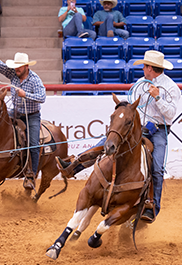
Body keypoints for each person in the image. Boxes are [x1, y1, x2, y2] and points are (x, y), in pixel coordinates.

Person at [57, 50, 181, 223]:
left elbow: (170, 114)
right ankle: (74, 166)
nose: (143, 69)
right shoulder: (141, 83)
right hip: (139, 127)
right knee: (107, 141)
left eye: (145, 66)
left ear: (151, 68)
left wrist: (157, 97)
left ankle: (151, 206)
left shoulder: (170, 87)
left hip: (159, 131)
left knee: (158, 168)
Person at [0, 53, 46, 190]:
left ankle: (31, 175)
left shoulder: (35, 80)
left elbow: (42, 97)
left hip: (31, 115)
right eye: (15, 67)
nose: (16, 69)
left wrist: (26, 95)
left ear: (26, 66)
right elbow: (3, 68)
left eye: (19, 67)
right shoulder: (14, 74)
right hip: (16, 112)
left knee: (34, 144)